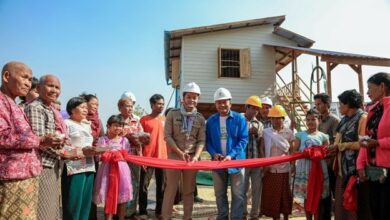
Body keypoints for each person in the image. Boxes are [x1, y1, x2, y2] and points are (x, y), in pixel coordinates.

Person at [0, 61, 61, 219]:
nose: (28, 83)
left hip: (26, 175)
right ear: (7, 77)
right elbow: (2, 136)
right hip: (12, 177)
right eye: (24, 78)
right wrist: (39, 141)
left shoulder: (12, 103)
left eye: (30, 79)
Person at [25, 74, 68, 220]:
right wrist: (64, 153)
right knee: (43, 207)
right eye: (50, 86)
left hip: (53, 163)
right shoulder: (35, 108)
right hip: (42, 164)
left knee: (52, 205)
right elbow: (39, 140)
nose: (54, 90)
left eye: (57, 87)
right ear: (38, 88)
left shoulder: (50, 109)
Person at [162, 82, 206, 220]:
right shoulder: (172, 114)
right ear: (183, 98)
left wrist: (196, 157)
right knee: (171, 189)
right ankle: (166, 217)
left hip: (192, 159)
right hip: (175, 156)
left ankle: (187, 217)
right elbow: (167, 136)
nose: (191, 100)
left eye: (195, 97)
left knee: (189, 191)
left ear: (198, 99)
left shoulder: (200, 118)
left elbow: (201, 141)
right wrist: (180, 153)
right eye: (189, 97)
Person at [206, 88, 248, 220]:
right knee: (219, 194)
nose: (222, 105)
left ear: (230, 103)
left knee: (238, 194)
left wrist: (231, 155)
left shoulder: (239, 118)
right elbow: (207, 141)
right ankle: (223, 217)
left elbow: (243, 139)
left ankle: (236, 218)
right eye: (219, 102)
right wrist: (214, 154)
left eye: (224, 102)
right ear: (215, 104)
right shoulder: (211, 121)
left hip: (236, 163)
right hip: (217, 164)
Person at [329, 89, 370, 220]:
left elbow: (363, 143)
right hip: (342, 171)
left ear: (349, 104)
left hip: (356, 172)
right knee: (342, 208)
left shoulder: (363, 118)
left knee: (355, 207)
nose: (339, 106)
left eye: (341, 104)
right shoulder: (344, 120)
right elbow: (338, 140)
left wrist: (341, 146)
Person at [62, 96, 102, 220]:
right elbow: (62, 145)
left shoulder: (86, 125)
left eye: (86, 107)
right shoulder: (66, 124)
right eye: (82, 107)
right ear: (72, 109)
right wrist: (79, 151)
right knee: (73, 202)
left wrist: (95, 149)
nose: (86, 110)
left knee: (85, 203)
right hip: (74, 168)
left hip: (89, 166)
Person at [357, 72, 390, 220]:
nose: (367, 92)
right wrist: (360, 164)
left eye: (370, 88)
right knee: (375, 210)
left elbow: (374, 141)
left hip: (388, 170)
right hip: (373, 170)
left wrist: (378, 143)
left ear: (382, 86)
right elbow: (367, 138)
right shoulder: (373, 109)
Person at [93, 115, 133, 220]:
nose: (118, 128)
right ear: (108, 126)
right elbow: (98, 156)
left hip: (122, 172)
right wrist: (108, 154)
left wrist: (119, 155)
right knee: (108, 195)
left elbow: (128, 155)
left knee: (123, 198)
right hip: (107, 171)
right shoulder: (103, 140)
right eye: (115, 125)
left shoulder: (124, 141)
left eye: (120, 126)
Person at [293, 109, 330, 220]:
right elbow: (294, 151)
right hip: (304, 168)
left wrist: (318, 153)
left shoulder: (324, 136)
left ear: (319, 120)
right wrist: (306, 153)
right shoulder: (300, 135)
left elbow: (328, 153)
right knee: (307, 195)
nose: (310, 122)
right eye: (308, 120)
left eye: (313, 119)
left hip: (319, 167)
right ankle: (308, 218)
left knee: (318, 194)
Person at [261, 105, 294, 220]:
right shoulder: (265, 132)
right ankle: (275, 217)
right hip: (269, 169)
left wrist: (293, 165)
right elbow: (262, 148)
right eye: (273, 118)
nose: (275, 120)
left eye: (278, 118)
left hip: (284, 169)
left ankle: (285, 217)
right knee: (272, 195)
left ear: (283, 118)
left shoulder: (289, 133)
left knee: (284, 194)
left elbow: (292, 151)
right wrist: (264, 164)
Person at [117, 94, 147, 220]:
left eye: (131, 106)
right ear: (120, 108)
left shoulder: (136, 120)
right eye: (127, 106)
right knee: (120, 185)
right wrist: (127, 136)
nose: (130, 108)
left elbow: (142, 136)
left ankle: (131, 212)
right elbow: (113, 136)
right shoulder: (116, 120)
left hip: (135, 157)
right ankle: (118, 213)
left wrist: (142, 138)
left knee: (134, 184)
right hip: (120, 158)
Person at [139, 94, 168, 219]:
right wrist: (141, 159)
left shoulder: (166, 119)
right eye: (158, 104)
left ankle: (159, 211)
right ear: (152, 105)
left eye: (162, 103)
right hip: (147, 158)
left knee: (162, 186)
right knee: (144, 186)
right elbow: (139, 141)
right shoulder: (143, 120)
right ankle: (143, 212)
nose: (161, 106)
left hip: (163, 158)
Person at [314, 93, 340, 220]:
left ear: (327, 104)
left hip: (330, 163)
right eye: (315, 104)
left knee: (333, 192)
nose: (317, 107)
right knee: (323, 195)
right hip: (319, 163)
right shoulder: (316, 119)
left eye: (319, 104)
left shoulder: (334, 120)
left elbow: (336, 143)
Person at [79, 93, 104, 220]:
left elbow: (103, 138)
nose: (95, 106)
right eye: (93, 103)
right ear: (85, 103)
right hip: (79, 158)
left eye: (97, 104)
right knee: (81, 190)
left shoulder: (98, 121)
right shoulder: (78, 119)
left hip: (94, 159)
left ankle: (92, 216)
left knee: (92, 189)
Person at [242, 95, 264, 220]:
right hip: (243, 161)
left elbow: (261, 143)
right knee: (242, 190)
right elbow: (237, 137)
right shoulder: (239, 120)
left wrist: (256, 135)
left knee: (257, 191)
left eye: (257, 109)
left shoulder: (259, 124)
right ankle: (243, 214)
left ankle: (254, 215)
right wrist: (247, 132)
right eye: (253, 108)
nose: (255, 111)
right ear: (247, 107)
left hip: (255, 162)